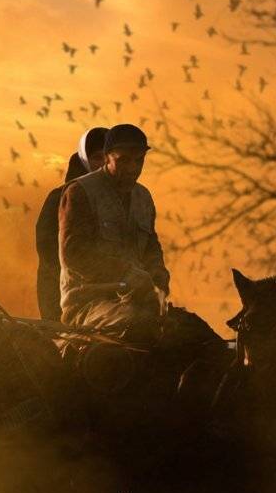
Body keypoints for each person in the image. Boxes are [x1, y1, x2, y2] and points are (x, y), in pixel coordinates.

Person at [58, 123, 223, 361]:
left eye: (139, 161)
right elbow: (74, 255)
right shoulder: (80, 192)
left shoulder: (143, 198)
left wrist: (159, 281)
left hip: (140, 305)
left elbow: (152, 250)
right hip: (88, 305)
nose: (132, 168)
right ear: (106, 157)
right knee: (143, 327)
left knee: (197, 330)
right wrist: (126, 274)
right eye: (123, 160)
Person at [34, 127, 107, 320]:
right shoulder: (59, 198)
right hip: (66, 300)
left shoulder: (124, 201)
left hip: (114, 299)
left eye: (110, 158)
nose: (103, 165)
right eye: (98, 158)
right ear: (84, 159)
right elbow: (50, 254)